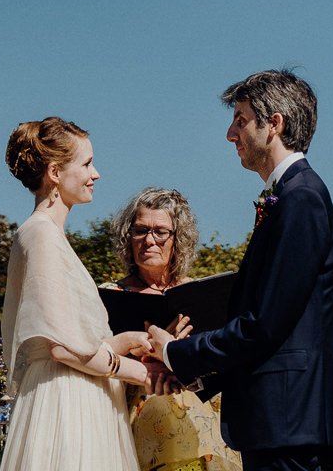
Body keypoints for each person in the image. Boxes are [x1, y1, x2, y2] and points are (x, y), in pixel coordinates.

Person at [147, 70, 333, 471]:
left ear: (274, 124)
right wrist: (196, 376)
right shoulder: (290, 196)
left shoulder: (301, 199)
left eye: (240, 120)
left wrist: (175, 352)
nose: (230, 134)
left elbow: (266, 324)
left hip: (290, 425)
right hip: (282, 423)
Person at [0, 116, 166, 471]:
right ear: (56, 172)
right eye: (87, 163)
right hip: (67, 405)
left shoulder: (48, 236)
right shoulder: (41, 235)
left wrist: (123, 340)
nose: (97, 174)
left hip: (81, 395)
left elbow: (69, 338)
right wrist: (140, 373)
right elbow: (61, 347)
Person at [103, 188, 243, 471]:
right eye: (140, 230)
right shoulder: (109, 294)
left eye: (160, 231)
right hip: (138, 431)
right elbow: (96, 362)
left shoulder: (202, 295)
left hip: (202, 432)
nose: (149, 240)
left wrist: (182, 352)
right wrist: (146, 350)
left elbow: (229, 360)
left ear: (179, 238)